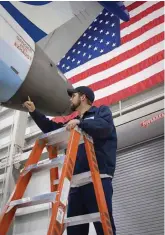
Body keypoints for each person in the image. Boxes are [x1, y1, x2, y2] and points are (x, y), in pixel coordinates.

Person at [23, 86, 117, 235]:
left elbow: (104, 127)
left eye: (73, 96)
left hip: (97, 180)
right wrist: (34, 112)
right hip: (75, 184)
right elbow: (52, 128)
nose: (69, 99)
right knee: (74, 231)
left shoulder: (101, 112)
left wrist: (81, 124)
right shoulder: (73, 121)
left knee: (104, 229)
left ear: (83, 97)